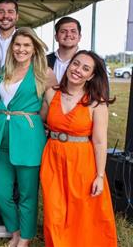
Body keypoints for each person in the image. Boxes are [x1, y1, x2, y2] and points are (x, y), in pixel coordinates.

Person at [40, 50, 117, 247]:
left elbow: (100, 142)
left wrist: (100, 176)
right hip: (53, 158)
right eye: (76, 64)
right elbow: (40, 120)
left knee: (81, 212)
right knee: (54, 211)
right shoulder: (51, 93)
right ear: (68, 65)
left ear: (91, 76)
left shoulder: (96, 103)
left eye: (85, 68)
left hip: (82, 161)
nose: (78, 70)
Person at [0, 27, 57, 247]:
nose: (21, 49)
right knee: (0, 191)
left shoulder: (43, 72)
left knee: (28, 194)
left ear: (34, 48)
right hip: (2, 135)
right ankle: (15, 229)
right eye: (17, 45)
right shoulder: (5, 70)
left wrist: (39, 121)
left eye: (26, 45)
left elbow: (52, 104)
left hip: (29, 137)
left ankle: (25, 238)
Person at [47, 16, 82, 82]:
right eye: (63, 31)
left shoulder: (92, 63)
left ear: (79, 37)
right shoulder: (43, 61)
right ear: (56, 37)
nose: (68, 34)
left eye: (73, 31)